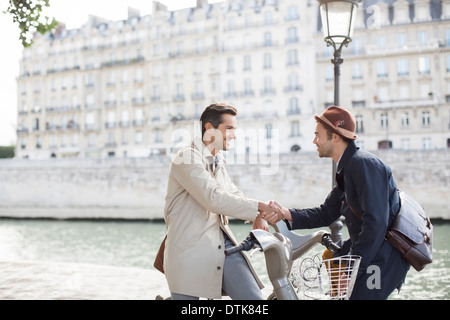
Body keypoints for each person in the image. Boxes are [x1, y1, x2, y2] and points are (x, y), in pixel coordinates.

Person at [271, 106, 410, 300]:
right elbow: (326, 213)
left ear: (335, 136)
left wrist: (353, 270)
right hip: (371, 253)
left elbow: (375, 223)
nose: (314, 141)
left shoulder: (362, 165)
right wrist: (286, 213)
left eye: (317, 135)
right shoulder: (349, 167)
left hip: (384, 258)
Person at [163, 103, 282, 300]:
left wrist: (261, 214)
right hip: (188, 253)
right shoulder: (186, 158)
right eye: (229, 129)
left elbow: (232, 194)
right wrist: (259, 209)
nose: (234, 135)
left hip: (222, 247)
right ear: (209, 128)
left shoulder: (217, 161)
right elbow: (213, 198)